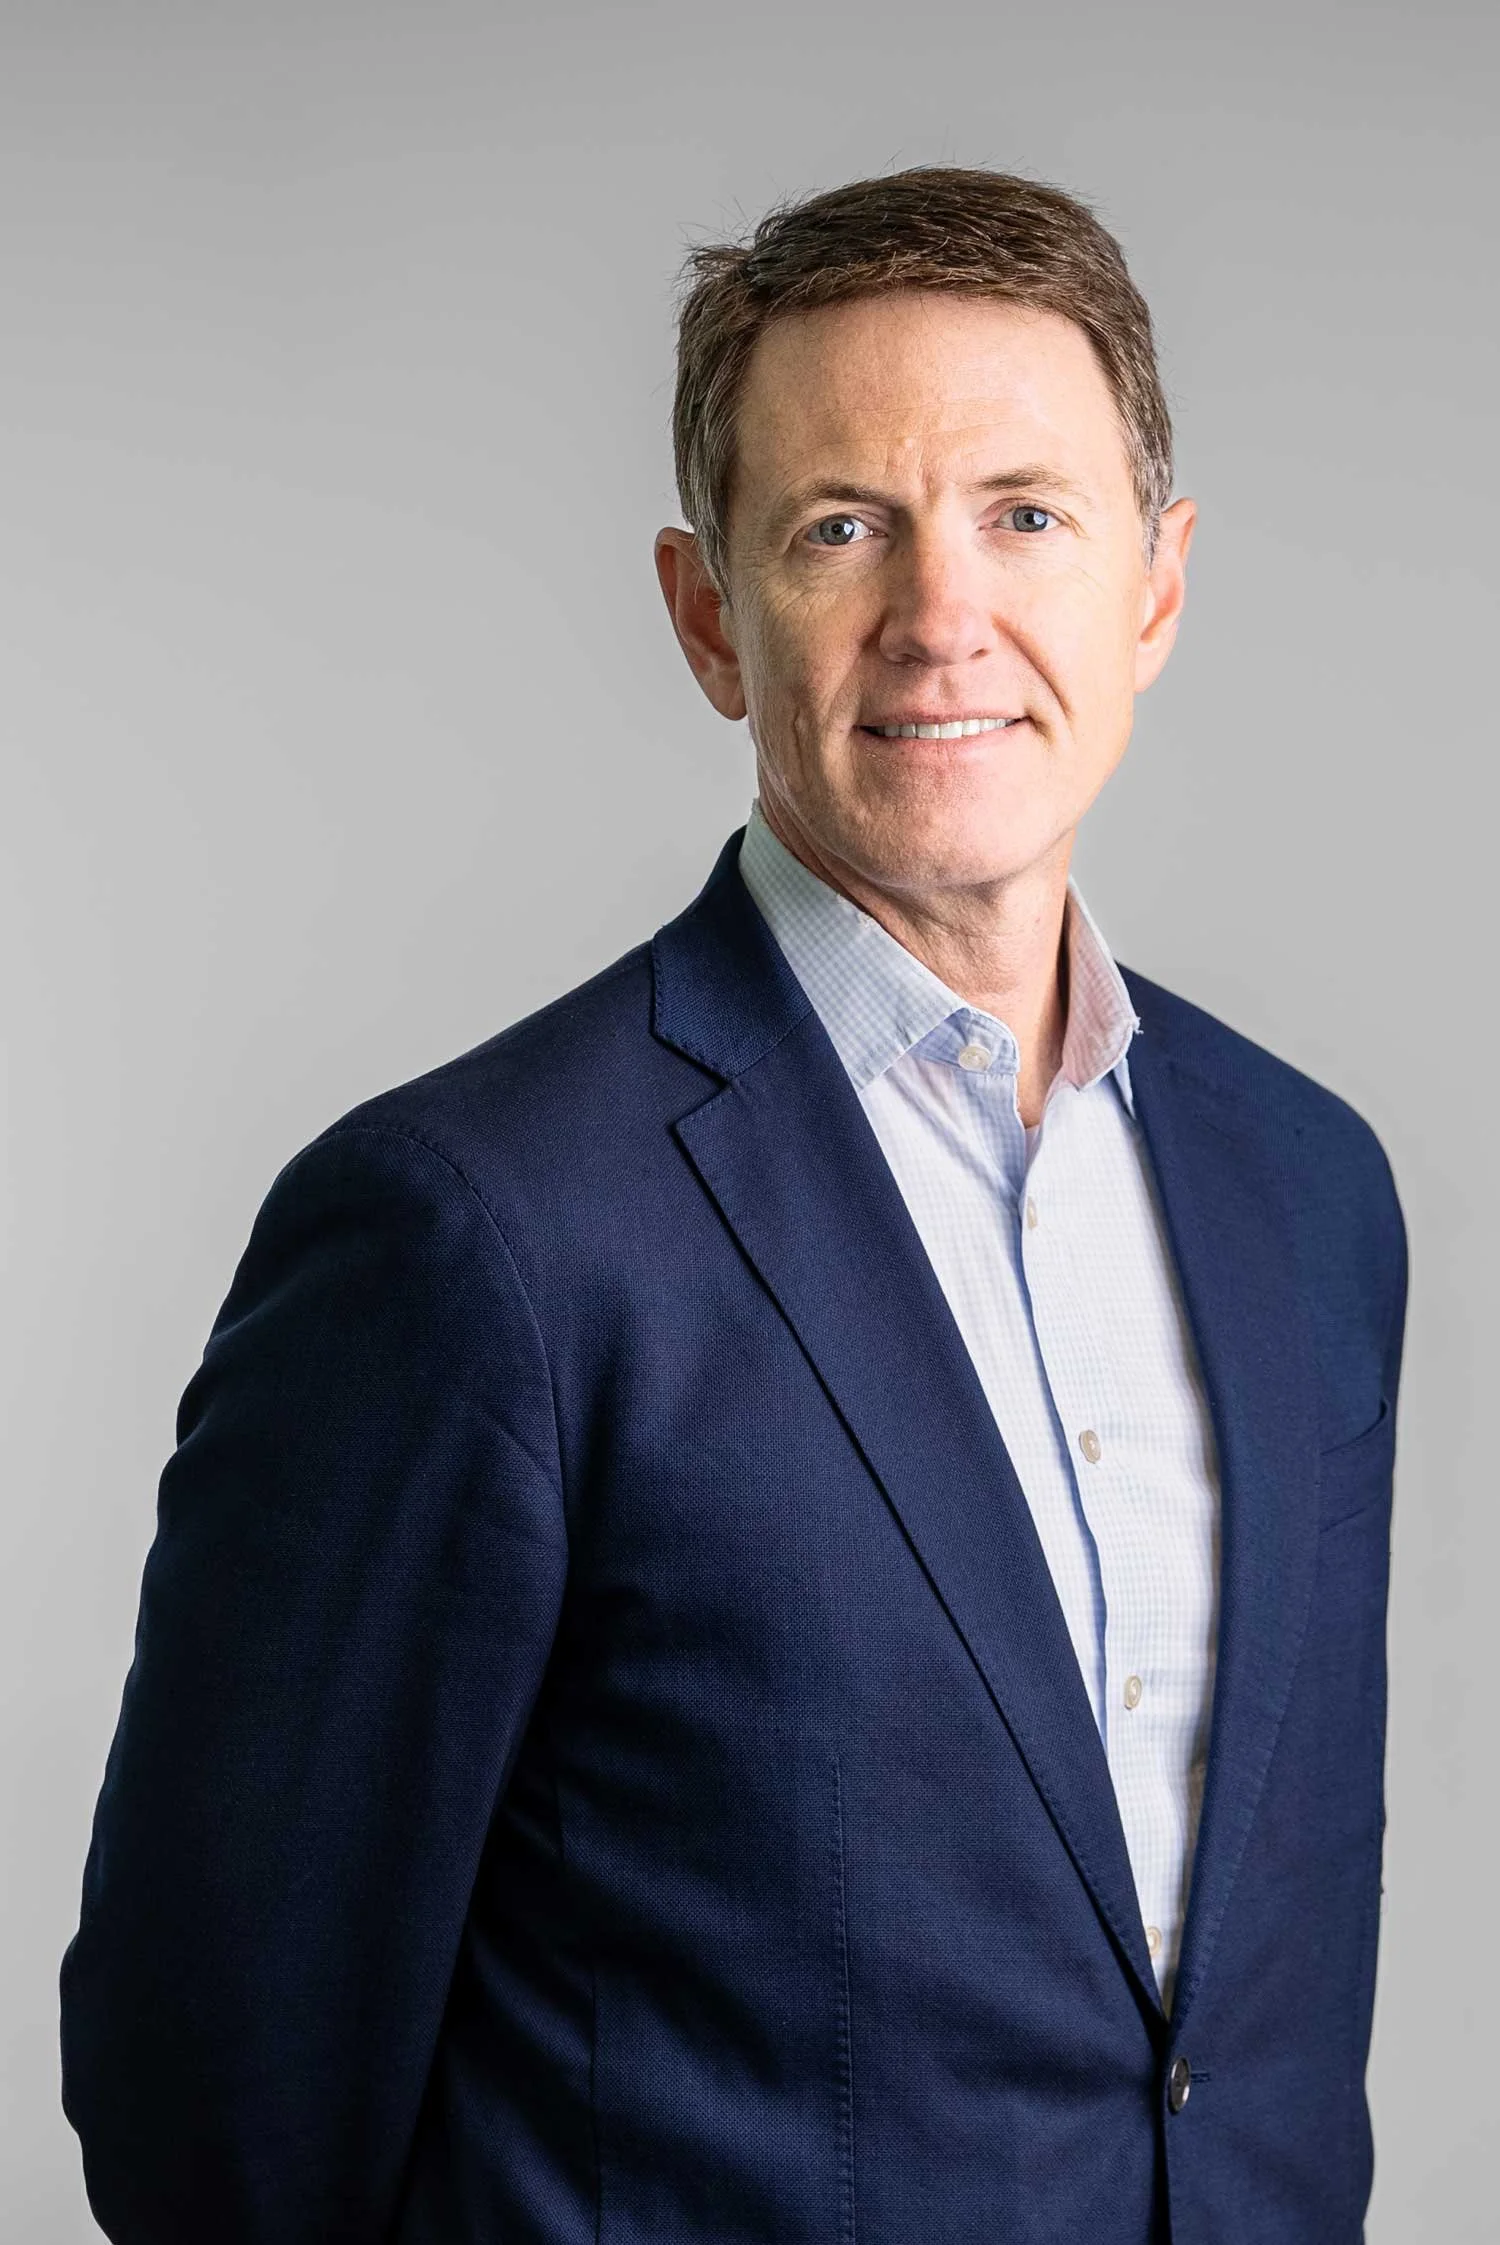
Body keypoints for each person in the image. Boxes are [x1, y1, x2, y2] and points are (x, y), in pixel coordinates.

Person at [59, 166, 1407, 2244]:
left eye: (1028, 516)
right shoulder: (475, 1235)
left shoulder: (1307, 1190)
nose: (942, 616)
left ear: (1156, 586)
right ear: (710, 618)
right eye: (842, 528)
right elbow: (212, 2100)